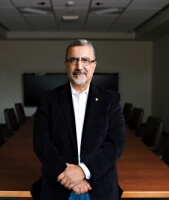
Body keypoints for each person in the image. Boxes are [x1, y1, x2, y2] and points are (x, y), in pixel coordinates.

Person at [32, 39, 126, 200]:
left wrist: (83, 171)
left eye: (85, 60)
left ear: (94, 65)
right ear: (66, 64)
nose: (79, 66)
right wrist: (70, 177)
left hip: (99, 186)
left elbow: (116, 144)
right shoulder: (48, 100)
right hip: (58, 185)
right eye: (73, 60)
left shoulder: (110, 100)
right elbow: (41, 143)